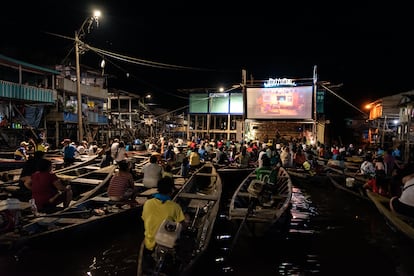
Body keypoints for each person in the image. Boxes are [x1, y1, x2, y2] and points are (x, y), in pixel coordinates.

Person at [141, 177, 186, 253]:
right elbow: (182, 227)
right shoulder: (175, 207)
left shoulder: (147, 203)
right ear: (171, 190)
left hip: (149, 244)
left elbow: (144, 218)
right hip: (166, 245)